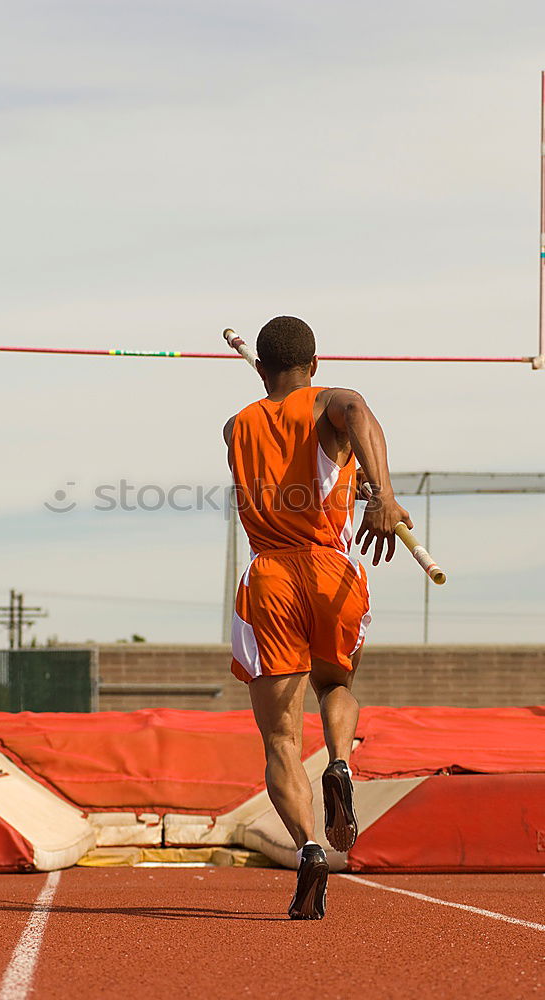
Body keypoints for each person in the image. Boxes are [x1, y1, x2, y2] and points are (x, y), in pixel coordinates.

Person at [223, 316, 411, 920]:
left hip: (271, 578)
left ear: (260, 366)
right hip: (330, 571)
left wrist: (362, 486)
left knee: (278, 736)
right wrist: (379, 492)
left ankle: (307, 849)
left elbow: (290, 484)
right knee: (336, 684)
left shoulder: (234, 428)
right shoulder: (330, 403)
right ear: (316, 361)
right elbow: (354, 409)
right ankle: (339, 761)